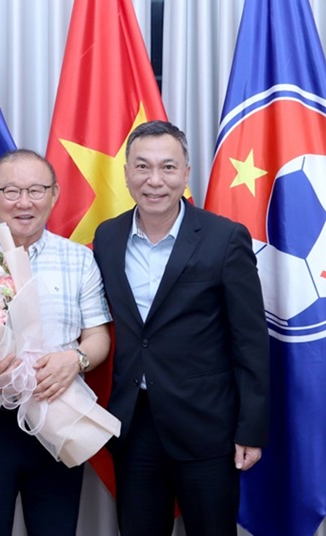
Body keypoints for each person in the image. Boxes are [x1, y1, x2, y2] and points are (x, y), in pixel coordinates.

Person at [92, 120, 270, 536]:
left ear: (186, 174)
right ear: (126, 173)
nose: (155, 180)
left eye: (168, 168)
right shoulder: (108, 236)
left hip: (208, 425)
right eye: (143, 167)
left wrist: (251, 428)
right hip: (133, 424)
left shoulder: (224, 238)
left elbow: (250, 340)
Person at [0, 149, 112, 536]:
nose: (24, 202)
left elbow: (98, 335)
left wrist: (77, 360)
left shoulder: (80, 260)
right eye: (11, 190)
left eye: (36, 190)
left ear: (55, 194)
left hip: (57, 414)